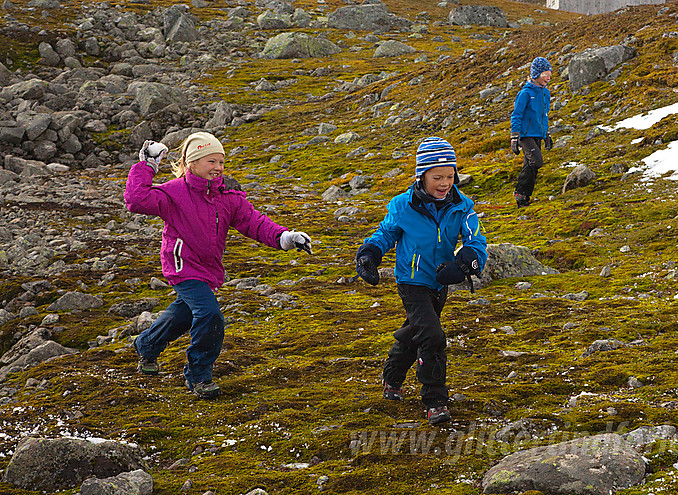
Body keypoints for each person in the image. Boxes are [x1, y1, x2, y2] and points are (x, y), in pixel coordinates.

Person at [124, 132, 312, 399]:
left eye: (221, 162)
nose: (218, 168)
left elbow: (254, 222)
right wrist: (147, 166)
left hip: (207, 268)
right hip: (182, 265)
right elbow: (136, 200)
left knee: (185, 314)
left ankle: (146, 345)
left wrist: (285, 237)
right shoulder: (175, 192)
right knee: (210, 313)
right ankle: (199, 375)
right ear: (192, 163)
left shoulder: (227, 196)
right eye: (210, 161)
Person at [355, 137, 487, 425]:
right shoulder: (404, 206)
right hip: (411, 282)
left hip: (440, 283)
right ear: (421, 176)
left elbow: (476, 241)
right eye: (437, 177)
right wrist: (370, 254)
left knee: (416, 332)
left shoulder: (463, 207)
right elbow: (385, 234)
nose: (445, 183)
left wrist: (466, 262)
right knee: (432, 335)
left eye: (450, 176)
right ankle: (435, 400)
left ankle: (392, 376)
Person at [510, 56, 554, 208]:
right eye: (545, 75)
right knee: (536, 161)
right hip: (525, 135)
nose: (548, 78)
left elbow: (544, 115)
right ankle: (520, 192)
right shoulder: (525, 93)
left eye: (549, 75)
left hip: (537, 134)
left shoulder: (545, 93)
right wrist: (514, 136)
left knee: (531, 163)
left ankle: (523, 197)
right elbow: (516, 114)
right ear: (536, 74)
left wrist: (546, 134)